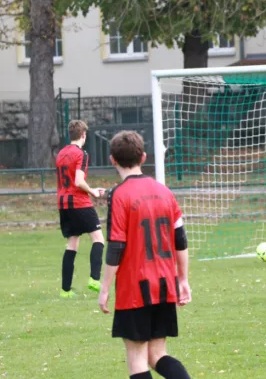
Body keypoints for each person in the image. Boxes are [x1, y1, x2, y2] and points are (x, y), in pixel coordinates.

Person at [98, 131, 192, 379]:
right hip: (164, 284)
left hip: (134, 287)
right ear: (144, 157)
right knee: (157, 355)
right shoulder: (164, 191)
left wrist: (105, 288)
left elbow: (116, 246)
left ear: (112, 160)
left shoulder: (119, 195)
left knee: (138, 358)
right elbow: (180, 241)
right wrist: (182, 279)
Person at [55, 120, 106, 298]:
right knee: (98, 239)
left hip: (63, 203)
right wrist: (93, 191)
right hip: (79, 202)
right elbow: (78, 181)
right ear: (83, 135)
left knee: (72, 244)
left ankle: (65, 290)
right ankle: (94, 279)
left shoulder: (61, 153)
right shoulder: (81, 154)